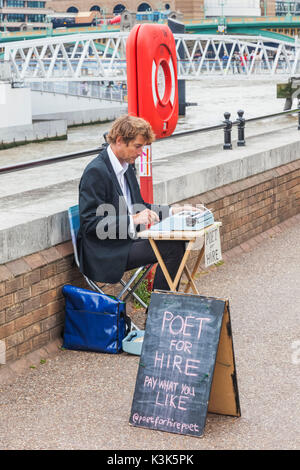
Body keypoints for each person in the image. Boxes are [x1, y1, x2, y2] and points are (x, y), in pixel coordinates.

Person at [77, 114, 189, 292]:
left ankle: (163, 308)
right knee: (171, 246)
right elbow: (90, 224)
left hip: (126, 239)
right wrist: (133, 220)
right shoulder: (96, 172)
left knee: (177, 241)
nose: (141, 153)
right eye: (138, 146)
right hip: (105, 251)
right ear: (120, 140)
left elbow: (140, 207)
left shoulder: (127, 166)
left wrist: (173, 210)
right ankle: (159, 313)